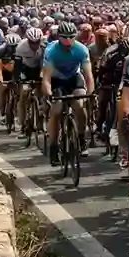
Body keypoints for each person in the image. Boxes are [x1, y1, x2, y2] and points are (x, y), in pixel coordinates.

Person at [42, 22, 95, 166]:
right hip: (56, 80)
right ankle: (53, 147)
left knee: (79, 105)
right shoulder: (51, 51)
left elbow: (88, 75)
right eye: (64, 38)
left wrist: (90, 93)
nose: (68, 41)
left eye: (71, 37)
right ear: (58, 37)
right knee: (56, 110)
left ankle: (81, 138)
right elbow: (46, 78)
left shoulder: (81, 49)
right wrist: (49, 94)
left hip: (74, 78)